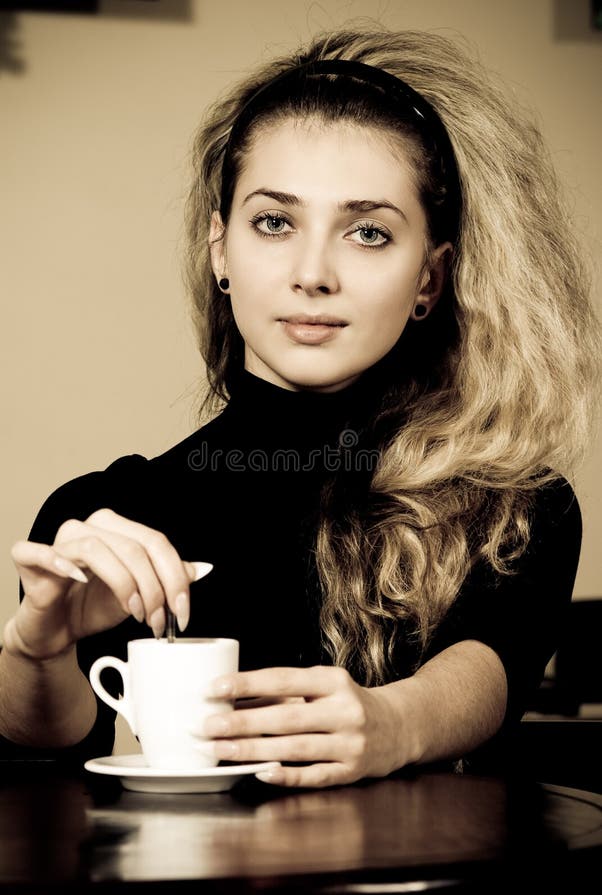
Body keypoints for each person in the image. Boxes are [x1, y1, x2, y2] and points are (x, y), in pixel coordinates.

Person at [0, 27, 599, 788]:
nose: (312, 273)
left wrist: (392, 723)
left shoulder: (515, 507)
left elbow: (485, 674)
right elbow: (46, 740)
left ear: (429, 278)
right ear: (220, 248)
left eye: (368, 233)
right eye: (275, 222)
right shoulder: (106, 519)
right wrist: (37, 649)